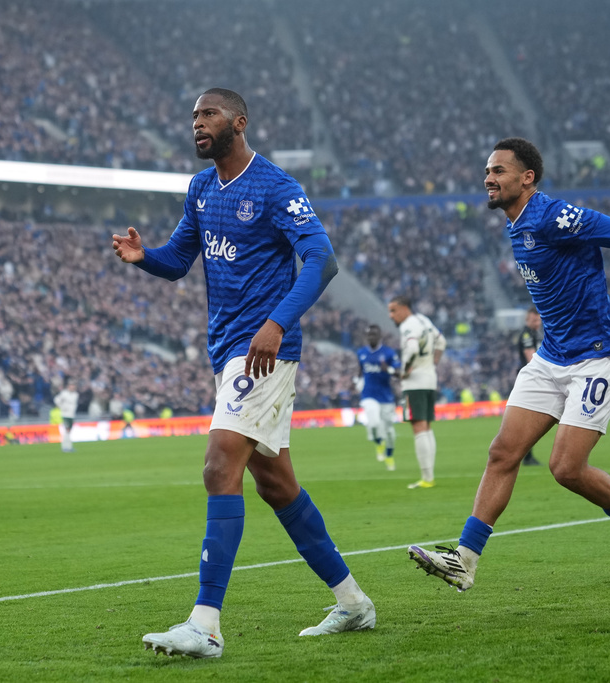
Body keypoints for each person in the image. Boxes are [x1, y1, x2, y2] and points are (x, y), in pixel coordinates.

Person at [112, 88, 375, 659]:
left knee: (218, 466)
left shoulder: (276, 187)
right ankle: (353, 603)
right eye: (193, 116)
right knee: (276, 485)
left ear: (239, 122)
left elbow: (322, 259)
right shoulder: (201, 188)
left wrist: (277, 322)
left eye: (208, 114)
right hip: (227, 351)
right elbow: (179, 261)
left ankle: (205, 624)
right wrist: (144, 256)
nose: (197, 123)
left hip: (263, 353)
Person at [408, 137, 610, 594]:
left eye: (499, 171)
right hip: (551, 357)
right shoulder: (517, 222)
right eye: (487, 170)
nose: (488, 178)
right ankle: (464, 560)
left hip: (597, 357)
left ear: (527, 178)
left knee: (565, 468)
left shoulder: (551, 216)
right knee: (502, 453)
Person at [387, 296, 447, 489]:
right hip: (429, 378)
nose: (391, 315)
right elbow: (441, 342)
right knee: (426, 426)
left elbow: (412, 349)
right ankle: (429, 476)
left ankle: (427, 478)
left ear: (405, 308)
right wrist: (432, 363)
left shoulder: (408, 325)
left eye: (394, 310)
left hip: (414, 382)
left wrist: (405, 370)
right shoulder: (424, 320)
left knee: (419, 427)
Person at [356, 324, 401, 470]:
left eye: (374, 335)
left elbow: (399, 373)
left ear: (380, 336)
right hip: (368, 395)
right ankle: (379, 443)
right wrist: (356, 381)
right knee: (374, 423)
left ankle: (389, 455)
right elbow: (360, 370)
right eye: (369, 335)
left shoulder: (388, 353)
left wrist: (388, 369)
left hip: (386, 397)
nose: (371, 337)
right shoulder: (361, 353)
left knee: (389, 431)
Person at [514, 306, 544, 466]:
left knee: (530, 418)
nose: (537, 322)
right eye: (534, 320)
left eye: (538, 319)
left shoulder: (535, 333)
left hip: (534, 379)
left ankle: (526, 455)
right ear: (527, 319)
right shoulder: (527, 334)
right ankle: (526, 455)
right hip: (530, 379)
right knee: (529, 419)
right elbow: (531, 359)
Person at [53, 380, 79, 453]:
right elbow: (56, 400)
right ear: (68, 386)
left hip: (72, 415)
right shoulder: (64, 393)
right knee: (67, 430)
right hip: (65, 415)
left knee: (69, 431)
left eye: (73, 385)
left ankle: (69, 447)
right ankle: (65, 447)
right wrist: (61, 407)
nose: (72, 387)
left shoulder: (76, 394)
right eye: (71, 385)